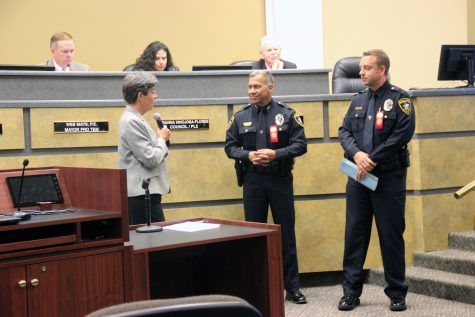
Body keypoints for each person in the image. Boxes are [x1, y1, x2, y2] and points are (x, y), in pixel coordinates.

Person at [338, 49, 415, 312]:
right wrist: (358, 155)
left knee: (390, 235)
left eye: (366, 68)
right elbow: (344, 131)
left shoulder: (400, 99)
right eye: (360, 68)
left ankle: (396, 292)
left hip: (388, 178)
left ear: (381, 70)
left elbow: (402, 135)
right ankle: (351, 292)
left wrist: (372, 159)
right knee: (354, 234)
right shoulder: (357, 100)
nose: (360, 72)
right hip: (358, 178)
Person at [225, 70, 307, 304]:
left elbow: (301, 145)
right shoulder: (240, 117)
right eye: (250, 87)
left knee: (286, 234)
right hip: (253, 181)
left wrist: (276, 154)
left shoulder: (287, 114)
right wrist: (248, 155)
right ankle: (255, 287)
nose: (252, 91)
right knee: (254, 235)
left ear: (270, 89)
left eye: (257, 87)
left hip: (279, 180)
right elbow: (230, 147)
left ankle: (292, 288)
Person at [118, 72, 171, 225]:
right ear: (140, 95)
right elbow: (151, 159)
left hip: (145, 193)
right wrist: (161, 139)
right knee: (154, 242)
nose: (156, 96)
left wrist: (160, 141)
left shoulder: (136, 119)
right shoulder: (132, 121)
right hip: (141, 195)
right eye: (153, 92)